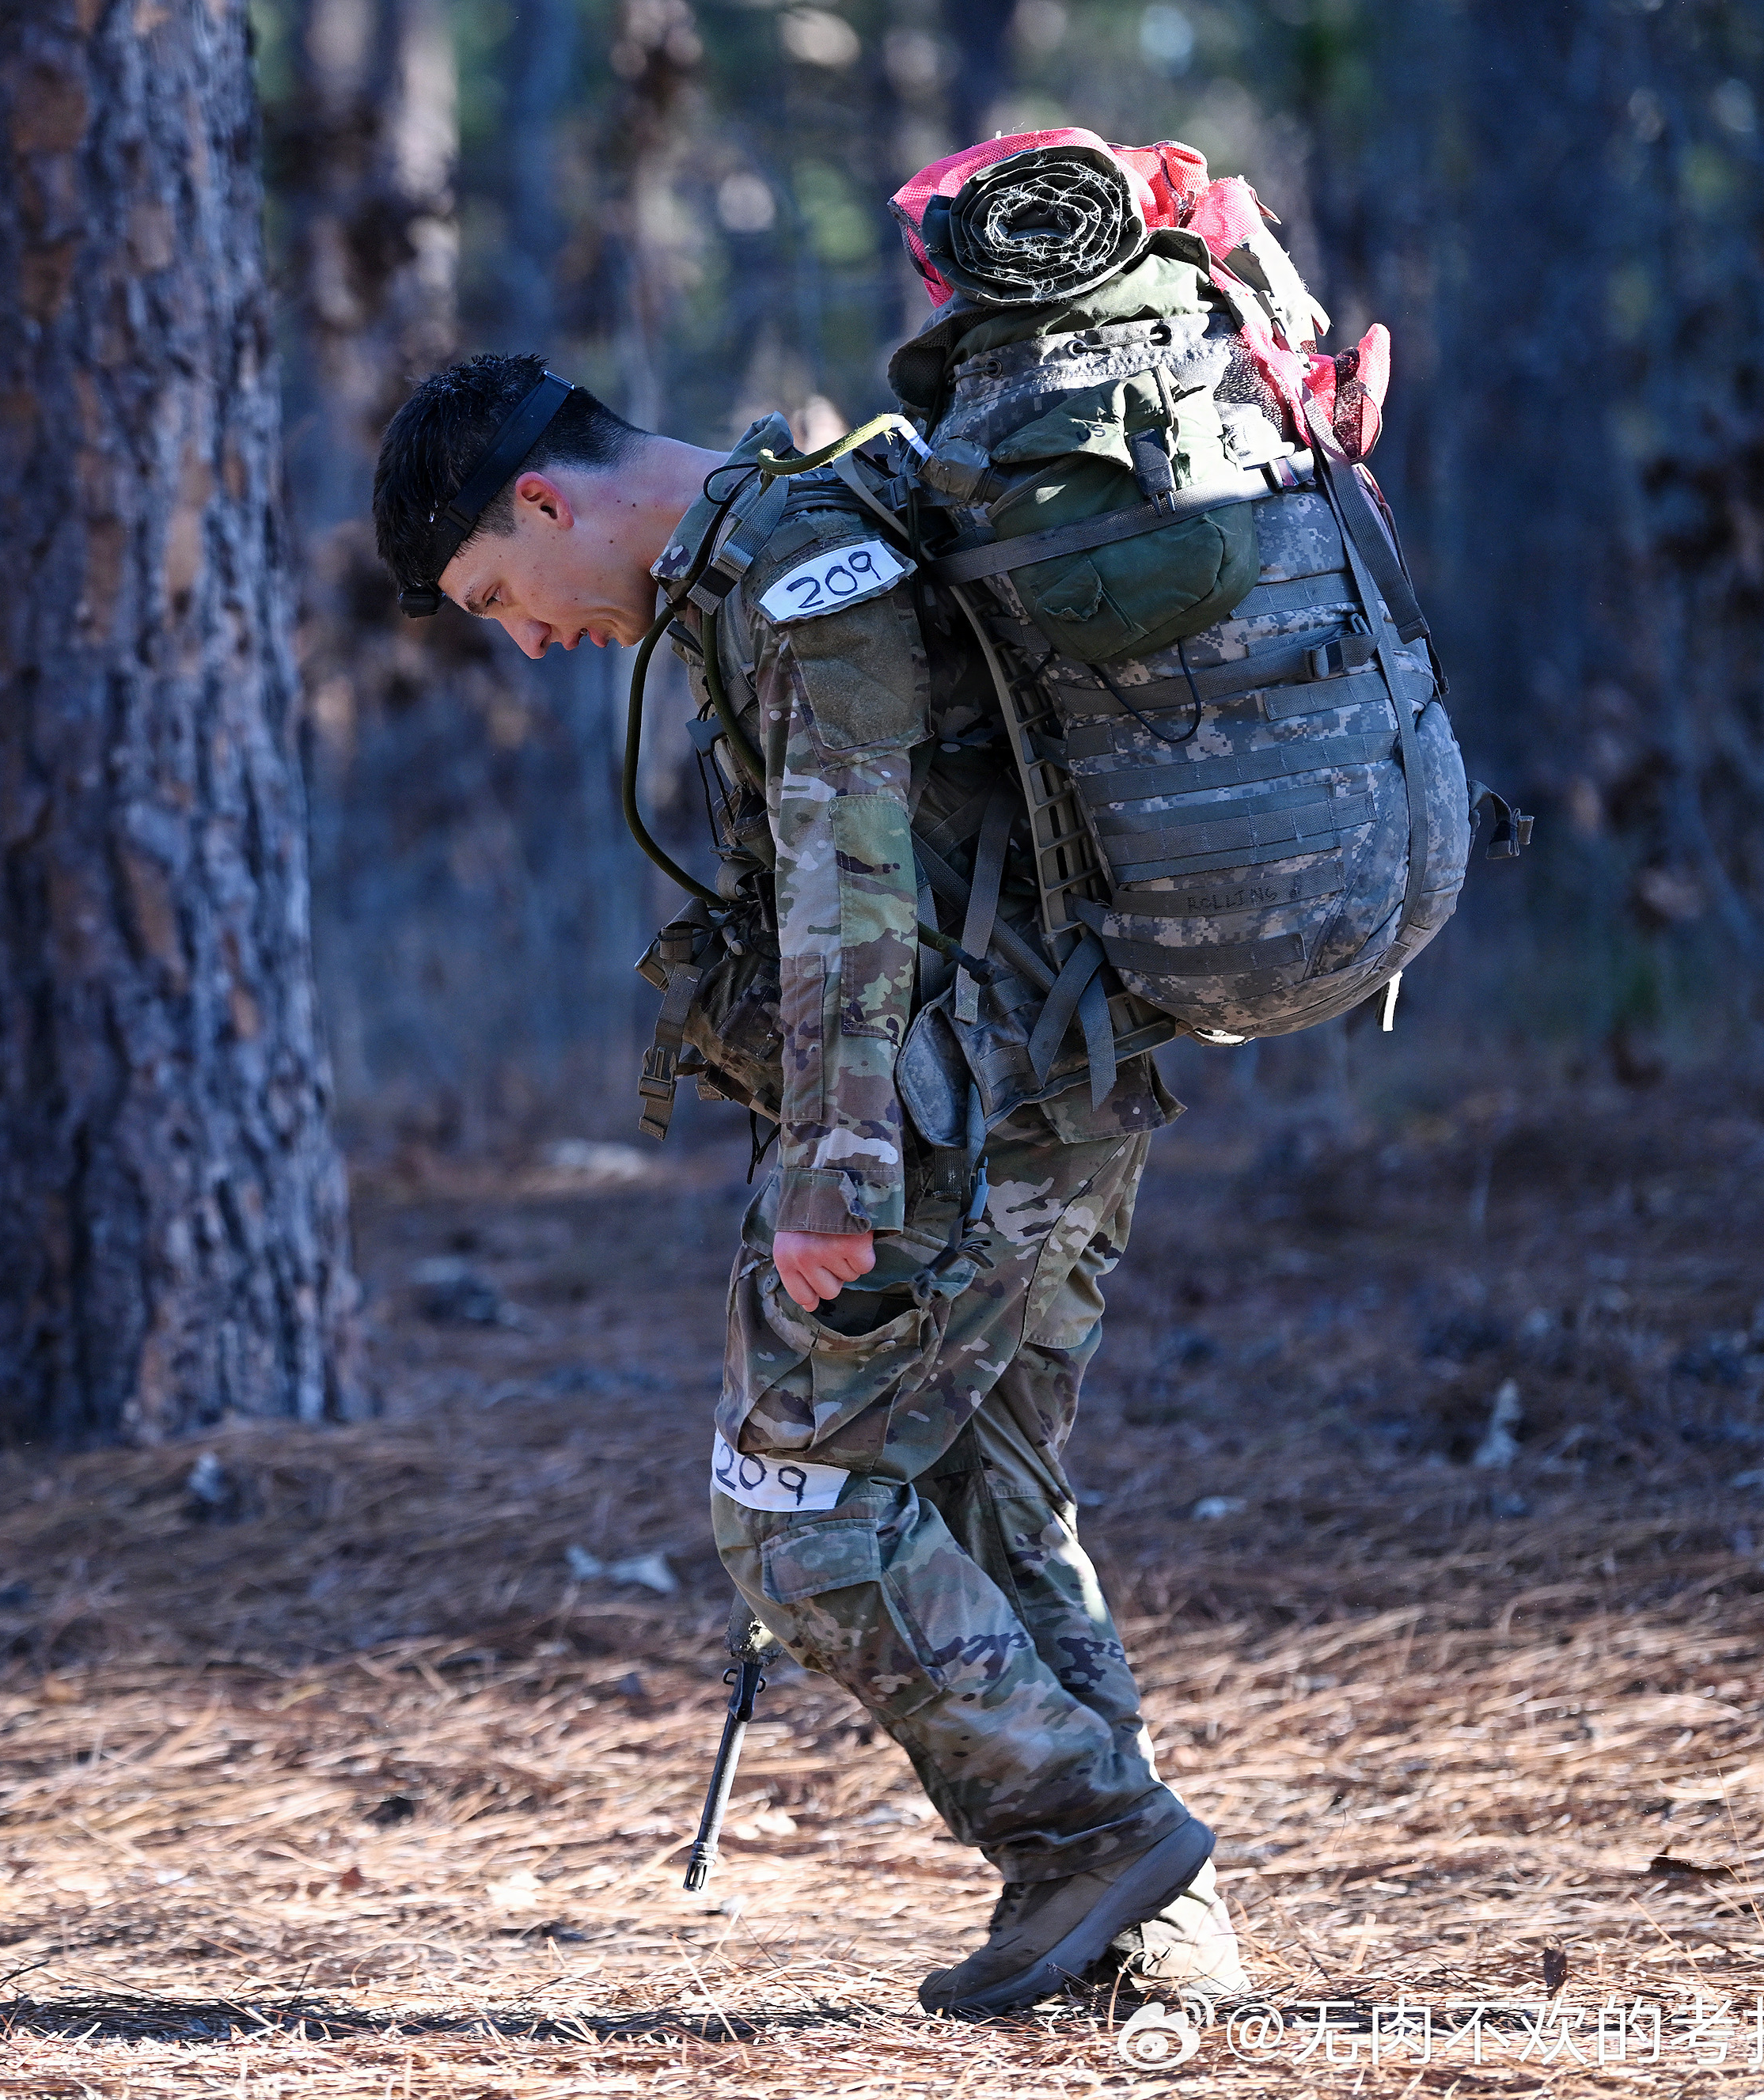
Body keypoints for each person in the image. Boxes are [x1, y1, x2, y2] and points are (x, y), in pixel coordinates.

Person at [370, 351, 1247, 2016]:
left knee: (798, 1516)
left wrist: (839, 1169)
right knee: (986, 1493)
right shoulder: (796, 538)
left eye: (498, 592)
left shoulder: (795, 572)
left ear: (545, 500)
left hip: (948, 1119)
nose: (532, 636)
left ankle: (1101, 1832)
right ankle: (1145, 1938)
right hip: (1049, 1088)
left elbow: (859, 887)